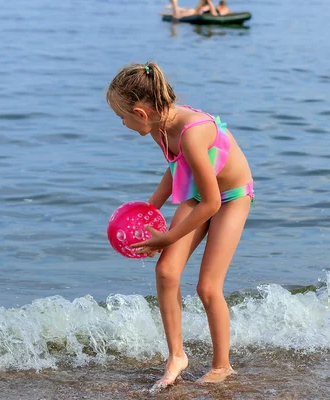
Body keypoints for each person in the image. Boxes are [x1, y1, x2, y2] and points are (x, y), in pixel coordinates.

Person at [106, 62, 254, 391]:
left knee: (207, 286)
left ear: (141, 112)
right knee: (166, 271)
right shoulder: (160, 129)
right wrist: (147, 212)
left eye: (123, 117)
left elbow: (213, 203)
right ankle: (177, 356)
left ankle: (222, 366)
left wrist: (170, 235)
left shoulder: (191, 132)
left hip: (230, 197)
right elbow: (175, 171)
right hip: (198, 192)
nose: (122, 123)